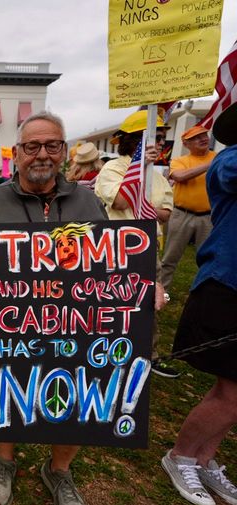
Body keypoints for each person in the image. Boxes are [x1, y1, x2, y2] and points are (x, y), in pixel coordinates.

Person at [0, 111, 109, 505]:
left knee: (76, 399)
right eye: (32, 146)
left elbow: (112, 259)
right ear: (17, 152)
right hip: (8, 330)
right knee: (7, 394)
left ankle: (58, 471)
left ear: (63, 151)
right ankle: (5, 460)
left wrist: (141, 286)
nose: (41, 154)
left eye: (51, 145)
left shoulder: (87, 201)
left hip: (77, 330)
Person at [161, 101, 237, 505]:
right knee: (232, 389)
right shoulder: (228, 162)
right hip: (228, 281)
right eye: (195, 138)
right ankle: (181, 456)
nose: (200, 140)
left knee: (233, 386)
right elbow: (182, 174)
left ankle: (204, 459)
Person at [94, 109, 175, 377]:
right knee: (113, 301)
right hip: (116, 246)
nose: (162, 143)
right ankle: (107, 351)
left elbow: (165, 213)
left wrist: (144, 205)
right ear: (137, 140)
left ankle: (148, 355)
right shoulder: (113, 168)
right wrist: (139, 169)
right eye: (157, 137)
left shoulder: (160, 176)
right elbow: (118, 200)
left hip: (149, 247)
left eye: (163, 138)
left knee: (149, 301)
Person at [159, 125, 215, 288]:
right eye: (197, 137)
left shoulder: (218, 156)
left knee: (207, 260)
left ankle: (202, 295)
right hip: (181, 214)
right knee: (169, 259)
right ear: (186, 144)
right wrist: (211, 165)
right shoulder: (179, 161)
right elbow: (179, 176)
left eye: (204, 135)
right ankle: (162, 293)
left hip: (209, 217)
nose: (203, 138)